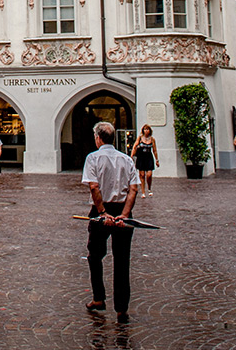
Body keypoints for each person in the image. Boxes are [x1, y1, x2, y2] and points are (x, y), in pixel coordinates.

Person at [81, 121, 140, 324]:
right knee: (122, 260)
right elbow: (134, 189)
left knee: (95, 256)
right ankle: (121, 309)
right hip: (123, 209)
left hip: (101, 209)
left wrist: (103, 213)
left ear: (98, 138)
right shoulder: (126, 159)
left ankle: (99, 298)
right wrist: (124, 214)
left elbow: (94, 187)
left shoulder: (93, 158)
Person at [130, 124, 158, 198]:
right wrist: (131, 156)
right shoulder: (139, 138)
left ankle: (149, 188)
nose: (146, 131)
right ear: (143, 130)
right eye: (145, 129)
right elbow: (134, 146)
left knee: (149, 175)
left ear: (150, 131)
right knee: (142, 175)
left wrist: (157, 159)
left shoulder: (152, 139)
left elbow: (154, 150)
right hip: (141, 157)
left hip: (149, 157)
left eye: (147, 129)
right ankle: (143, 191)